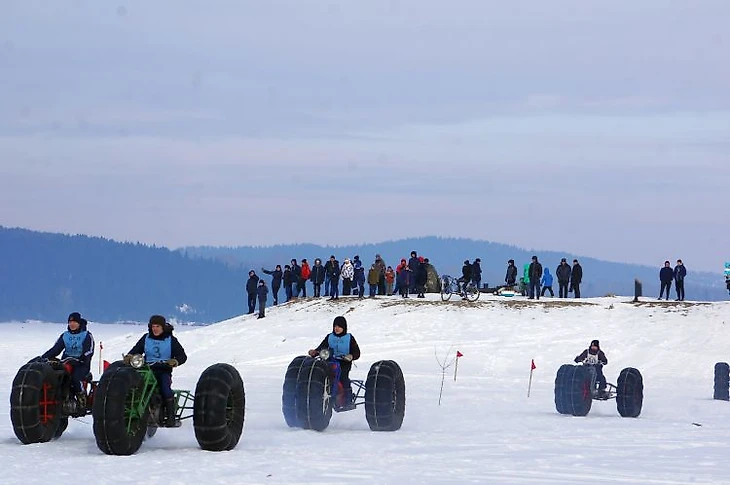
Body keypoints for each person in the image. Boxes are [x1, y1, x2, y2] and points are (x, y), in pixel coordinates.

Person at [125, 315, 187, 426]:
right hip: (147, 370)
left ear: (163, 327)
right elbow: (135, 350)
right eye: (153, 326)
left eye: (158, 326)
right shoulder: (146, 338)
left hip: (163, 370)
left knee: (165, 389)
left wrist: (174, 361)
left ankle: (170, 416)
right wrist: (130, 356)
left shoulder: (171, 340)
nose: (155, 329)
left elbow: (182, 356)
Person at [41, 312, 95, 406]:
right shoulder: (65, 336)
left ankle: (81, 397)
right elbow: (56, 349)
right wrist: (44, 357)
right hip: (65, 362)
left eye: (74, 322)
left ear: (79, 323)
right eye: (70, 322)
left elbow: (89, 350)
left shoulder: (86, 335)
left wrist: (83, 358)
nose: (72, 324)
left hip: (81, 364)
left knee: (75, 378)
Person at [308, 316, 361, 410]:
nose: (337, 328)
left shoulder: (349, 338)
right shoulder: (330, 337)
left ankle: (348, 401)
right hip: (330, 361)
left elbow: (357, 352)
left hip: (344, 362)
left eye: (339, 326)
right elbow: (322, 347)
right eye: (335, 326)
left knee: (343, 378)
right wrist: (315, 352)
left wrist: (350, 356)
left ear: (344, 327)